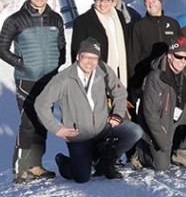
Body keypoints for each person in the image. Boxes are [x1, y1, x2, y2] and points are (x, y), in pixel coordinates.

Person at [35, 38, 143, 183]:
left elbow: (120, 92)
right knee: (82, 177)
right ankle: (64, 162)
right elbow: (41, 103)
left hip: (102, 125)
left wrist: (117, 114)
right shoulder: (63, 79)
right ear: (78, 57)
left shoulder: (103, 70)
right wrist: (56, 128)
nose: (90, 62)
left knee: (134, 131)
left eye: (94, 58)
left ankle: (104, 163)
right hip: (79, 133)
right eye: (86, 57)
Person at [0, 0, 66, 185]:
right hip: (26, 79)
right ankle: (20, 169)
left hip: (49, 79)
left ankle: (36, 165)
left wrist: (56, 66)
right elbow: (1, 49)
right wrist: (21, 64)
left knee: (42, 120)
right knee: (27, 123)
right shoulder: (16, 19)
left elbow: (61, 46)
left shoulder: (56, 19)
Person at [135, 37, 186, 170]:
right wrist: (162, 142)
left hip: (180, 110)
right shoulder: (155, 77)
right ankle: (141, 152)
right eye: (178, 57)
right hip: (161, 118)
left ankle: (183, 152)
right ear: (169, 56)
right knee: (162, 166)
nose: (182, 61)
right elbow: (150, 113)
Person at [128, 0, 181, 105]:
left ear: (160, 2)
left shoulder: (172, 24)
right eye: (147, 2)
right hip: (148, 79)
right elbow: (133, 56)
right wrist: (136, 82)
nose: (151, 5)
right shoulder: (139, 26)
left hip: (171, 78)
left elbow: (182, 51)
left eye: (153, 1)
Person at [71, 0, 131, 87]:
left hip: (120, 70)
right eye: (99, 0)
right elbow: (76, 51)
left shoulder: (119, 16)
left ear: (111, 1)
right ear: (94, 1)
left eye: (106, 0)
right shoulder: (83, 21)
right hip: (95, 73)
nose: (102, 4)